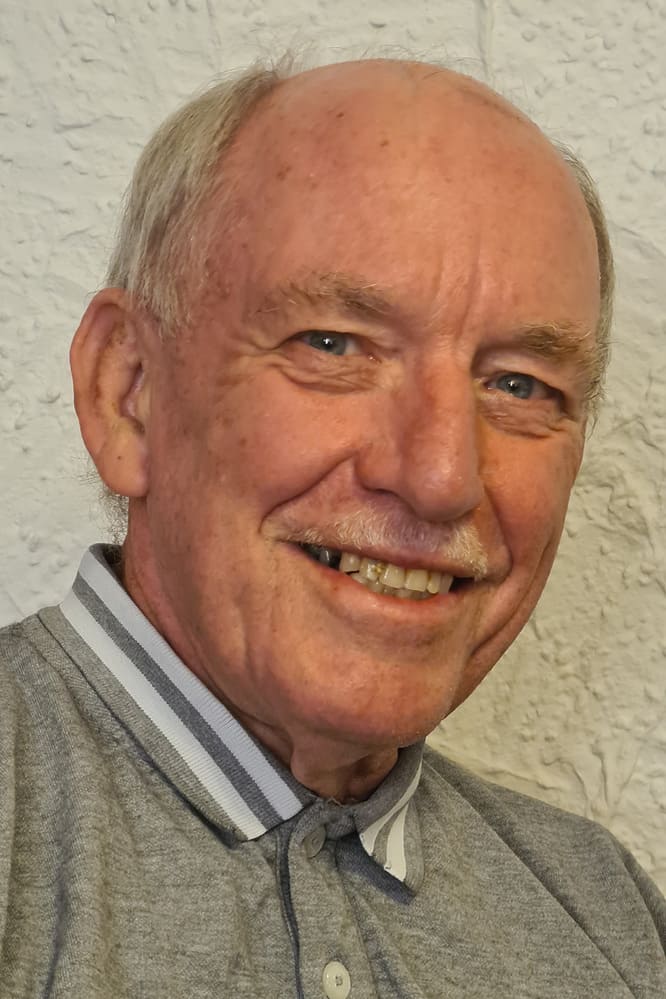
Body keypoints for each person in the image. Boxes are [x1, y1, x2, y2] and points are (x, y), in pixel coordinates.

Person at [0, 56, 664, 999]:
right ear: (129, 392)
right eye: (333, 344)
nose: (441, 477)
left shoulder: (609, 917)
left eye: (520, 384)